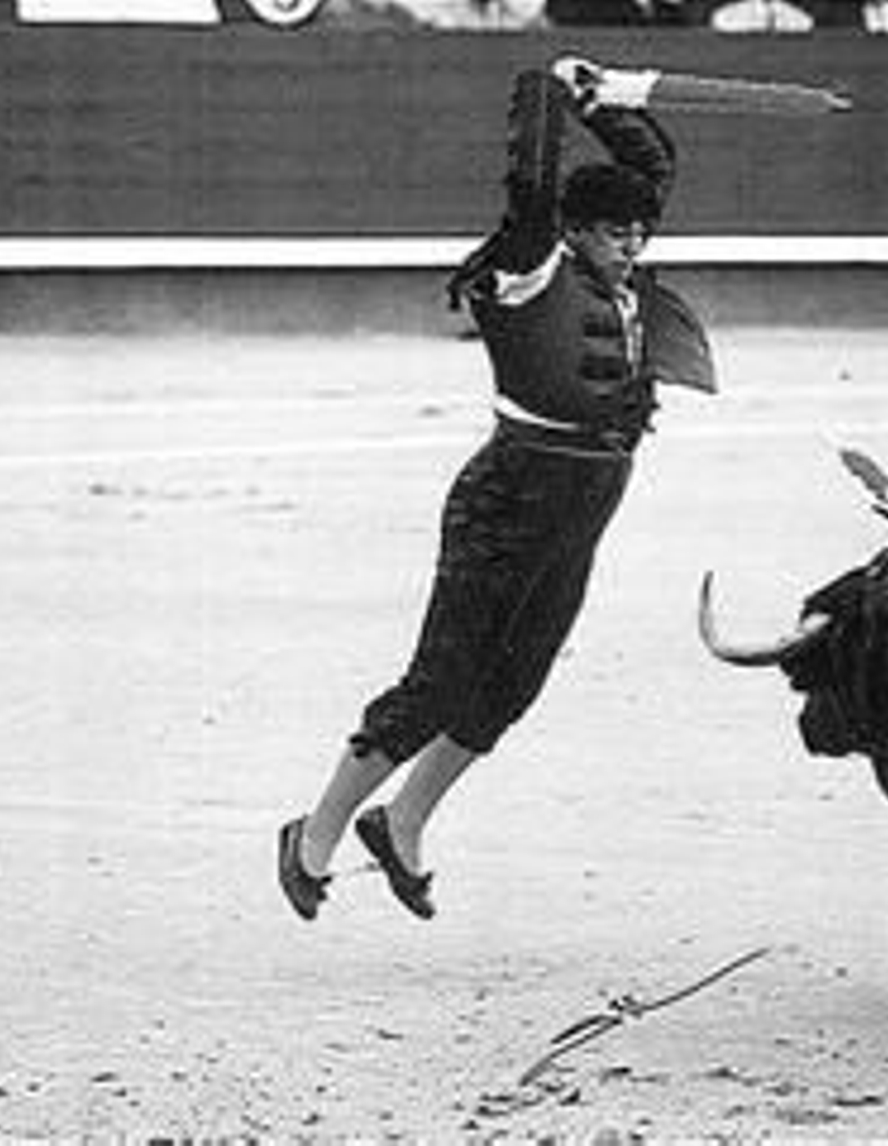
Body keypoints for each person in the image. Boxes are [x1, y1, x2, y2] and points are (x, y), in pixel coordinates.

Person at [277, 57, 716, 922]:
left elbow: (651, 172)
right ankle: (312, 833)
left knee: (513, 683)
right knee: (438, 681)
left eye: (638, 231)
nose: (632, 244)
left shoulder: (614, 267)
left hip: (589, 499)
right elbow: (531, 180)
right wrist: (548, 89)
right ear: (574, 229)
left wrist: (601, 104)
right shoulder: (530, 264)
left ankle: (399, 825)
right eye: (613, 230)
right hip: (510, 496)